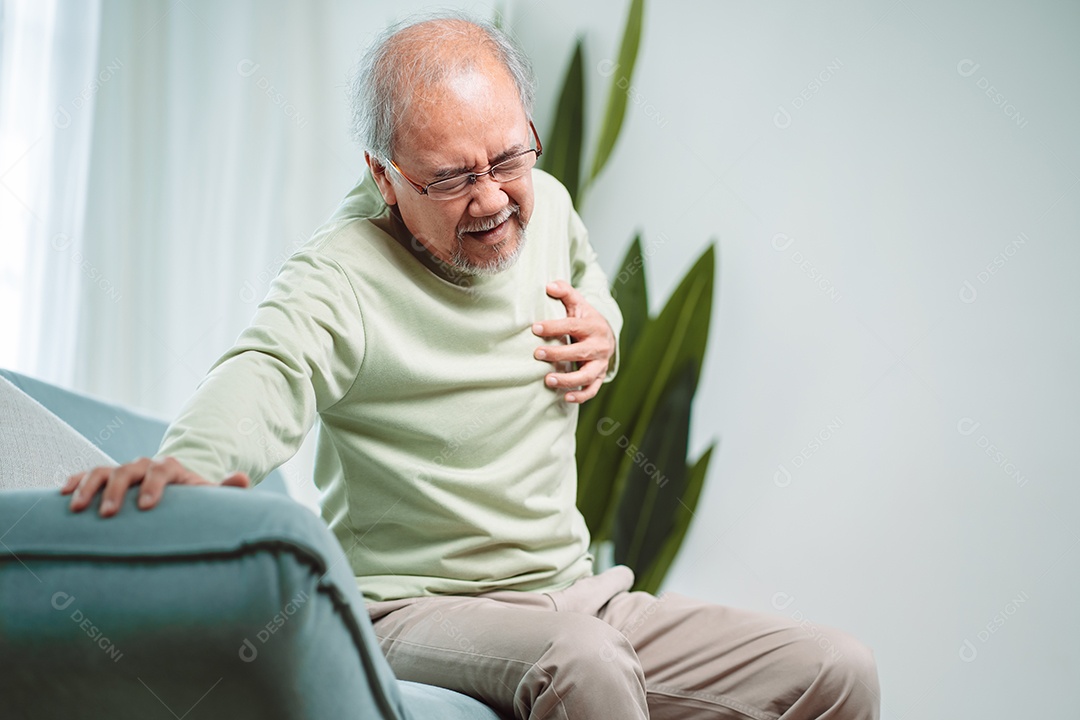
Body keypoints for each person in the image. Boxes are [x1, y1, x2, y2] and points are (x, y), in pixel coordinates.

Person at [64, 13, 880, 720]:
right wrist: (185, 465)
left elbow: (590, 285)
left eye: (506, 160)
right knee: (584, 664)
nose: (491, 199)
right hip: (414, 611)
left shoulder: (547, 202)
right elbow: (269, 368)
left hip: (582, 595)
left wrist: (609, 329)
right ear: (382, 175)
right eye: (451, 179)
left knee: (835, 671)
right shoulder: (340, 275)